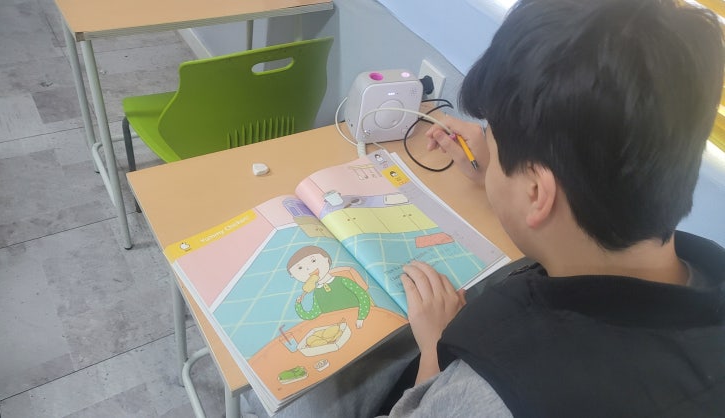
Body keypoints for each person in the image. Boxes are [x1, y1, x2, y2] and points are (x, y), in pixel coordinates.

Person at [241, 0, 725, 416]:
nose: (485, 151)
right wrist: (500, 170)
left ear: (537, 194)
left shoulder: (487, 396)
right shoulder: (695, 265)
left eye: (493, 141)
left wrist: (435, 352)